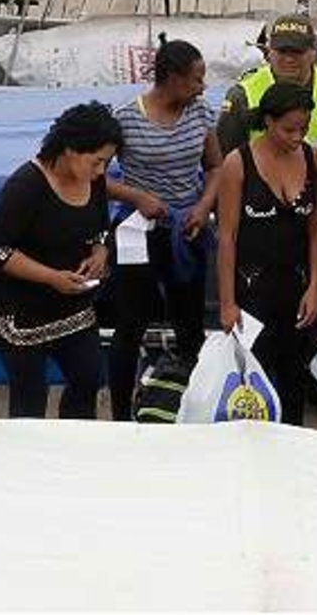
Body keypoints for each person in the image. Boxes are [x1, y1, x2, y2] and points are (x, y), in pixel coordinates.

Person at [104, 38, 222, 421]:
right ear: (172, 78)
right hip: (139, 232)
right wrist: (137, 196)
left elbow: (215, 167)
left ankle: (186, 408)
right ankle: (120, 416)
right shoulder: (126, 118)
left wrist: (203, 207)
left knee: (190, 323)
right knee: (130, 325)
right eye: (196, 79)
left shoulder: (201, 113)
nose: (203, 87)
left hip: (186, 230)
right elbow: (94, 175)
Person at [0, 102, 120, 419]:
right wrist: (51, 277)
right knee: (29, 398)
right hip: (21, 313)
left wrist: (100, 251)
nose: (101, 171)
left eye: (106, 163)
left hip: (73, 308)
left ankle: (74, 440)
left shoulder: (95, 181)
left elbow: (101, 227)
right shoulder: (26, 185)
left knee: (89, 378)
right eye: (97, 161)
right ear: (70, 149)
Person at [216, 82, 317, 426]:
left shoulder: (314, 158)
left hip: (295, 287)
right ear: (268, 121)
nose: (297, 137)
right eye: (289, 129)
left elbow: (316, 230)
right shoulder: (238, 163)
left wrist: (315, 286)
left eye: (303, 129)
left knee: (294, 381)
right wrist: (227, 303)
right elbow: (227, 237)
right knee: (252, 385)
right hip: (252, 290)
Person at [217, 14, 317, 155]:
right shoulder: (243, 95)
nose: (289, 59)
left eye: (297, 52)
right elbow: (224, 157)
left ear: (314, 52)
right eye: (282, 51)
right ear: (269, 51)